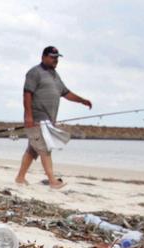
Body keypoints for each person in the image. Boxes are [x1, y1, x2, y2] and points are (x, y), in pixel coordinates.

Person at [15, 46, 92, 189]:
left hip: (49, 120)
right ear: (43, 57)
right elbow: (27, 94)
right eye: (52, 57)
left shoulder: (55, 75)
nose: (55, 60)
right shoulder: (34, 73)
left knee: (32, 149)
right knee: (45, 149)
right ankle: (52, 181)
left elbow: (66, 93)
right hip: (37, 118)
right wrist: (28, 116)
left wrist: (82, 100)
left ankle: (20, 177)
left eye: (57, 57)